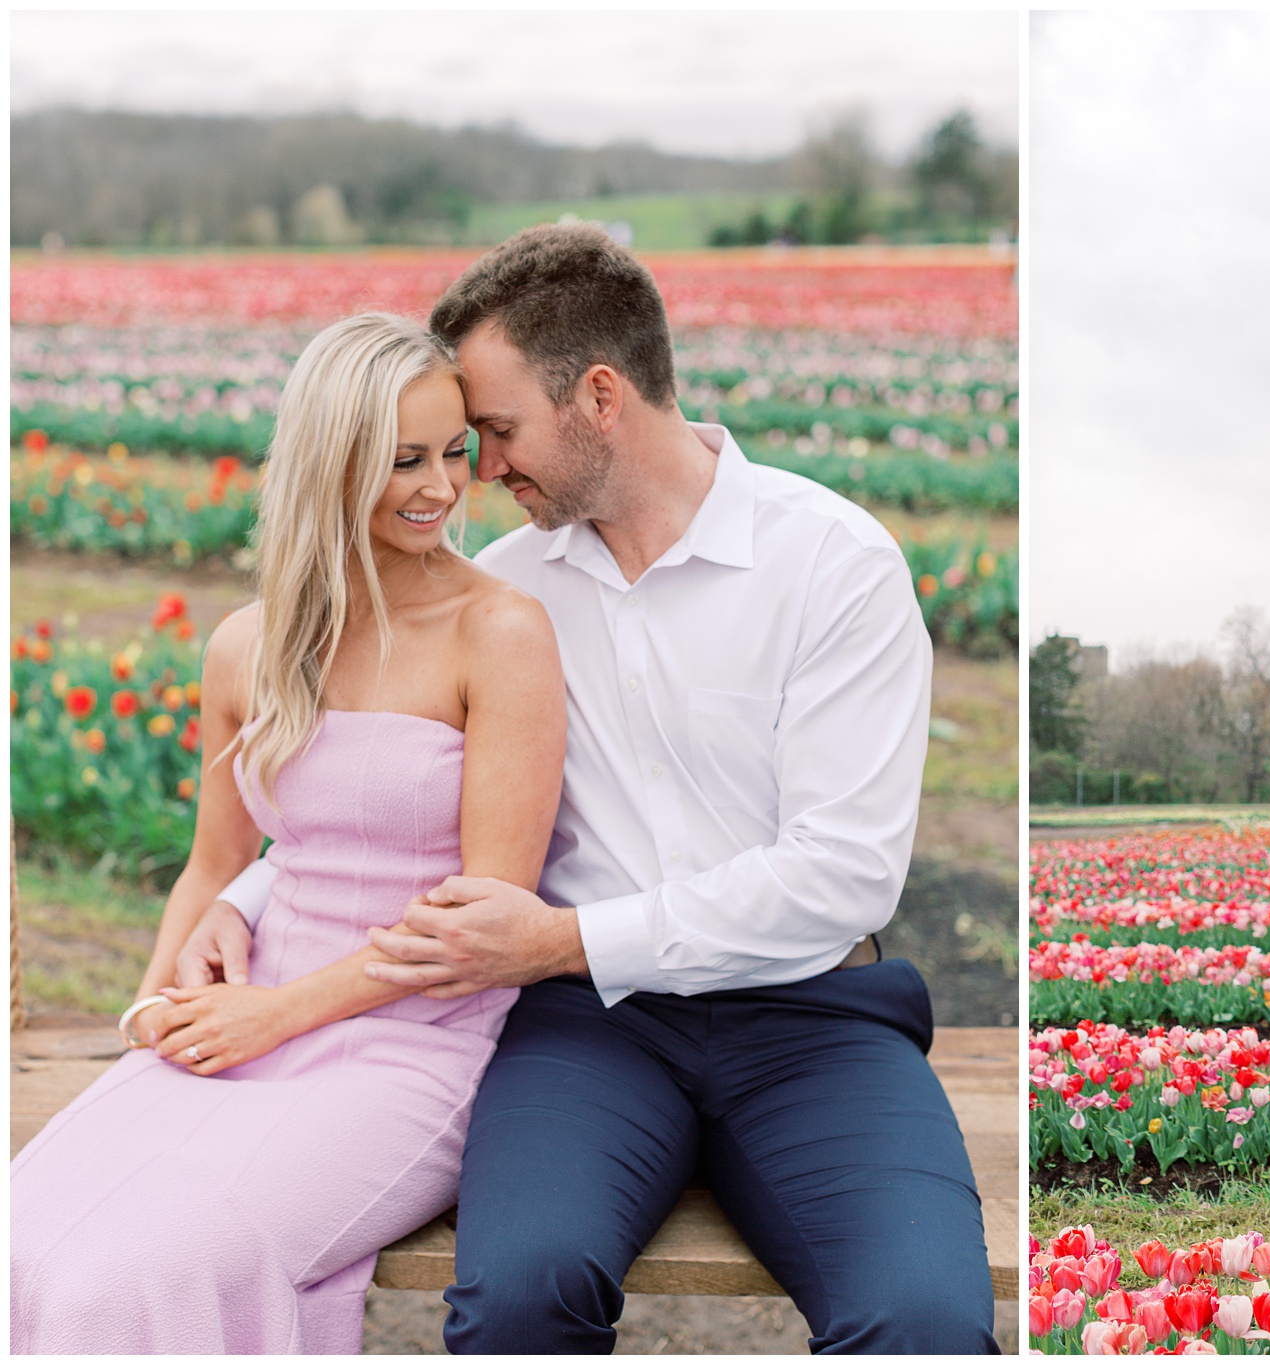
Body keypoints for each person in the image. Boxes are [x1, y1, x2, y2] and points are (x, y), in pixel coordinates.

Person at [180, 224, 998, 1353]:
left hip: (809, 1017)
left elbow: (842, 875)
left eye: (498, 431)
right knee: (521, 1292)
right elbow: (387, 802)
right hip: (585, 1033)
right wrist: (246, 897)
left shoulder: (831, 564)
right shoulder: (501, 588)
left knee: (925, 1319)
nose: (479, 471)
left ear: (600, 397)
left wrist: (563, 939)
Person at [10, 314, 567, 1353]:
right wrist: (158, 1003)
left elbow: (484, 919)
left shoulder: (500, 632)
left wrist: (278, 1015)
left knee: (122, 1277)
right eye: (402, 459)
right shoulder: (247, 645)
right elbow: (214, 864)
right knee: (20, 1240)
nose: (442, 488)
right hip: (244, 1013)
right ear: (330, 459)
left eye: (453, 452)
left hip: (411, 1044)